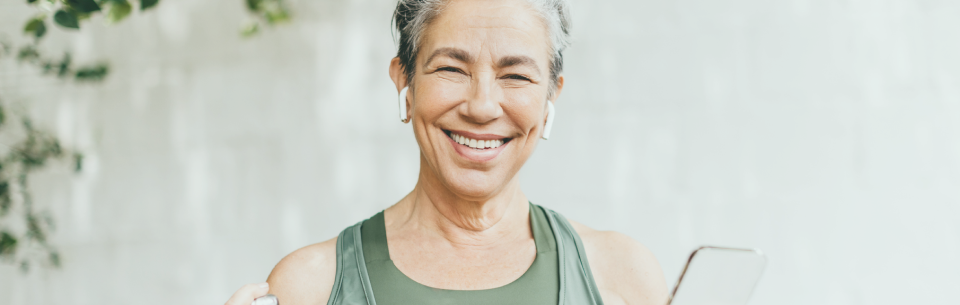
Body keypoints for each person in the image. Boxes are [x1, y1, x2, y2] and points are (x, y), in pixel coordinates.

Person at [225, 0, 667, 304]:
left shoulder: (622, 277)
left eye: (516, 76)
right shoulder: (310, 286)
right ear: (405, 82)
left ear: (552, 96)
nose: (481, 106)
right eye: (452, 69)